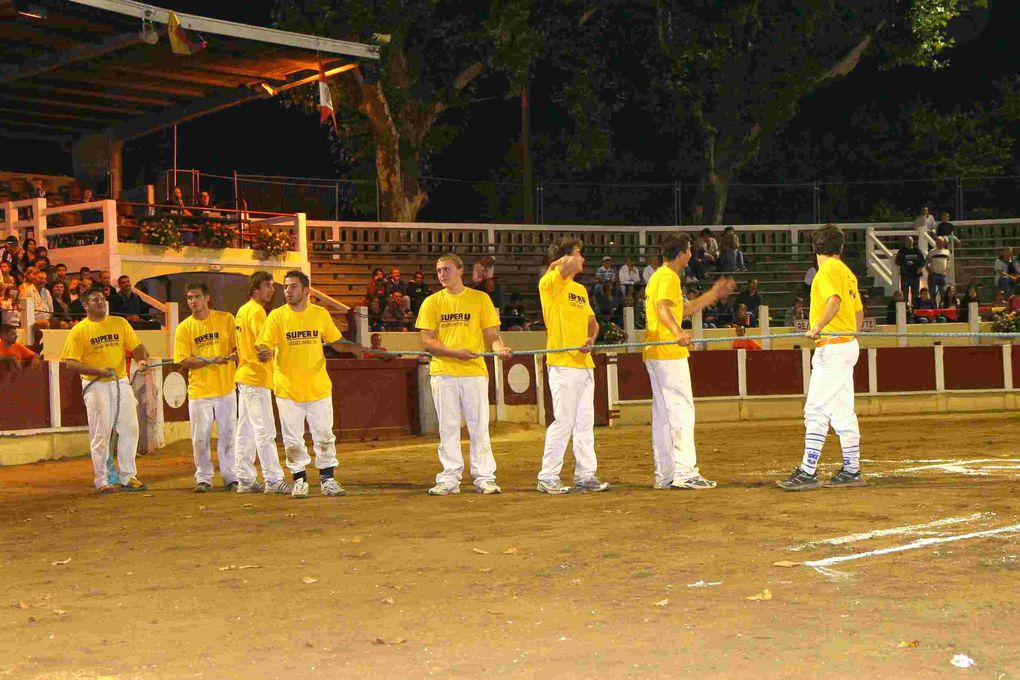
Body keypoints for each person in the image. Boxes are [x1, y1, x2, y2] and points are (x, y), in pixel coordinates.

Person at [256, 270, 360, 498]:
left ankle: (327, 479)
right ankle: (300, 480)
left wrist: (354, 347)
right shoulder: (276, 316)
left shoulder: (320, 314)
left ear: (306, 290)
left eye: (293, 286)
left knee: (324, 435)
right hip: (287, 389)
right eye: (285, 287)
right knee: (293, 439)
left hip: (318, 387)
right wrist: (264, 352)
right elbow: (264, 343)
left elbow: (336, 342)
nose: (288, 291)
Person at [644, 234, 735, 490]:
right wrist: (678, 333)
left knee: (663, 416)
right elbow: (664, 309)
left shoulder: (660, 277)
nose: (691, 256)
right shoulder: (668, 277)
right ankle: (686, 473)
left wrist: (713, 294)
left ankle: (666, 474)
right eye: (689, 251)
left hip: (657, 353)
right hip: (669, 353)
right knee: (682, 411)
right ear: (682, 253)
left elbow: (682, 309)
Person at [778, 224, 864, 491]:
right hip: (847, 344)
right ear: (840, 247)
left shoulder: (825, 272)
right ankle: (851, 468)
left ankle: (808, 471)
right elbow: (858, 314)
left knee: (815, 409)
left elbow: (834, 301)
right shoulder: (847, 273)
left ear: (814, 248)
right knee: (841, 411)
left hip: (832, 348)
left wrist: (816, 327)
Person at [416, 253, 511, 496]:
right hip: (443, 372)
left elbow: (491, 334)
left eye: (447, 269)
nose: (442, 275)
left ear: (460, 271)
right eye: (438, 271)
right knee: (448, 427)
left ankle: (485, 477)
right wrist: (454, 353)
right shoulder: (431, 302)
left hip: (474, 372)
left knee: (479, 426)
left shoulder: (480, 299)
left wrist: (499, 348)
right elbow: (427, 341)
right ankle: (449, 478)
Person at [60, 287, 150, 493]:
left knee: (130, 427)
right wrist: (97, 371)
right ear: (85, 305)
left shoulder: (119, 323)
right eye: (95, 300)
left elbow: (136, 346)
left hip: (120, 381)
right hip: (96, 385)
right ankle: (101, 480)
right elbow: (71, 363)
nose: (101, 302)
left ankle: (128, 476)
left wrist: (142, 360)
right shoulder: (79, 330)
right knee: (101, 432)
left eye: (102, 299)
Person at [537, 237, 609, 495]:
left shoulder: (579, 290)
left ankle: (585, 474)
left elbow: (592, 321)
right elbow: (562, 267)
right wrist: (560, 261)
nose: (583, 260)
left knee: (584, 423)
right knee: (564, 421)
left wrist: (591, 337)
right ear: (565, 258)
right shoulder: (549, 283)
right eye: (579, 254)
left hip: (583, 363)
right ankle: (548, 476)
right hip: (562, 364)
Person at [173, 283, 239, 493]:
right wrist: (210, 360)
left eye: (197, 297)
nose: (193, 301)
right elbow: (184, 360)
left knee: (228, 435)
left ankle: (231, 476)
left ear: (207, 298)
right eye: (190, 298)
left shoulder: (226, 319)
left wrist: (236, 353)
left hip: (226, 388)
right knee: (200, 438)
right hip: (199, 392)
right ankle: (204, 478)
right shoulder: (184, 328)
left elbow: (237, 345)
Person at [233, 272, 292, 495]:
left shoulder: (243, 310)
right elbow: (262, 346)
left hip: (246, 376)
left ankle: (245, 479)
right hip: (257, 377)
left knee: (245, 431)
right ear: (255, 288)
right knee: (264, 430)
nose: (272, 290)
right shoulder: (257, 312)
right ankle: (274, 480)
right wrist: (274, 353)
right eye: (267, 286)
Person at [894, 236, 925, 304]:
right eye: (908, 242)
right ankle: (906, 308)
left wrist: (920, 268)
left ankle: (915, 308)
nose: (909, 243)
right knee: (905, 292)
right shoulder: (902, 251)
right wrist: (905, 263)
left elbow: (923, 261)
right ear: (905, 242)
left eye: (910, 241)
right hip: (905, 275)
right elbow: (897, 261)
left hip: (915, 275)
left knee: (915, 293)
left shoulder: (917, 250)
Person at [924, 238, 952, 307]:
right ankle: (934, 308)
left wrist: (946, 269)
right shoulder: (932, 252)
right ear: (936, 243)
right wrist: (928, 270)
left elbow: (948, 262)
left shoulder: (947, 252)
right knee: (932, 293)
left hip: (942, 275)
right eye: (938, 242)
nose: (939, 243)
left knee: (943, 293)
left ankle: (942, 308)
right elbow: (926, 263)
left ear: (943, 243)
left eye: (941, 242)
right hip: (933, 275)